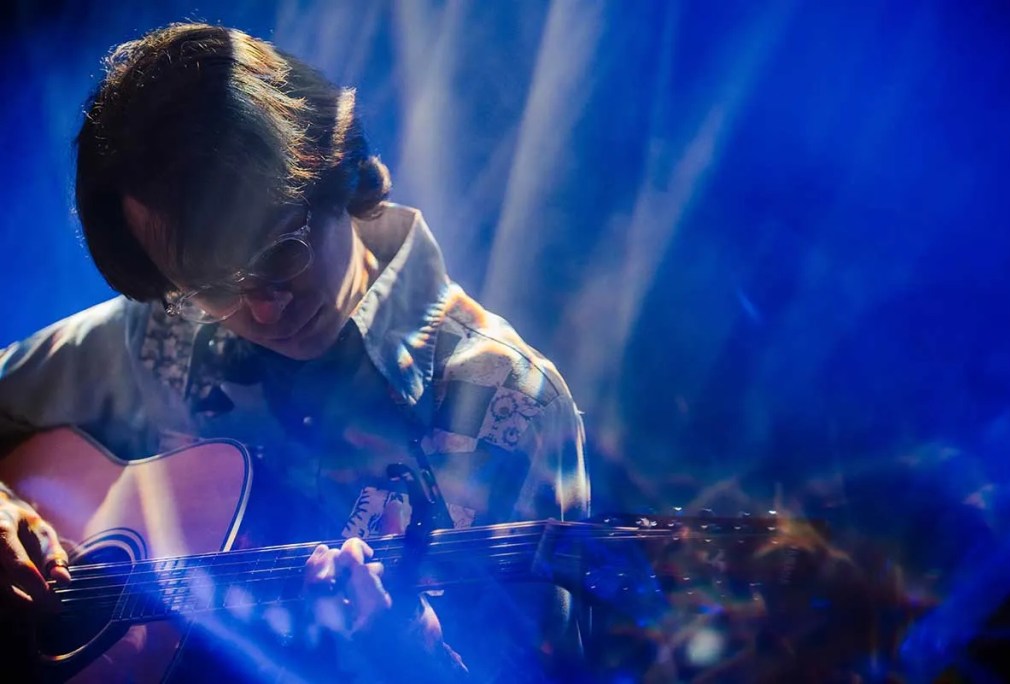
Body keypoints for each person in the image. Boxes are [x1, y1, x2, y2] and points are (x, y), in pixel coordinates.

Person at [0, 22, 589, 682]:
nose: (263, 308)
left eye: (281, 252)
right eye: (215, 285)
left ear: (333, 168)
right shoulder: (160, 331)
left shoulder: (507, 403)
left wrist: (409, 661)